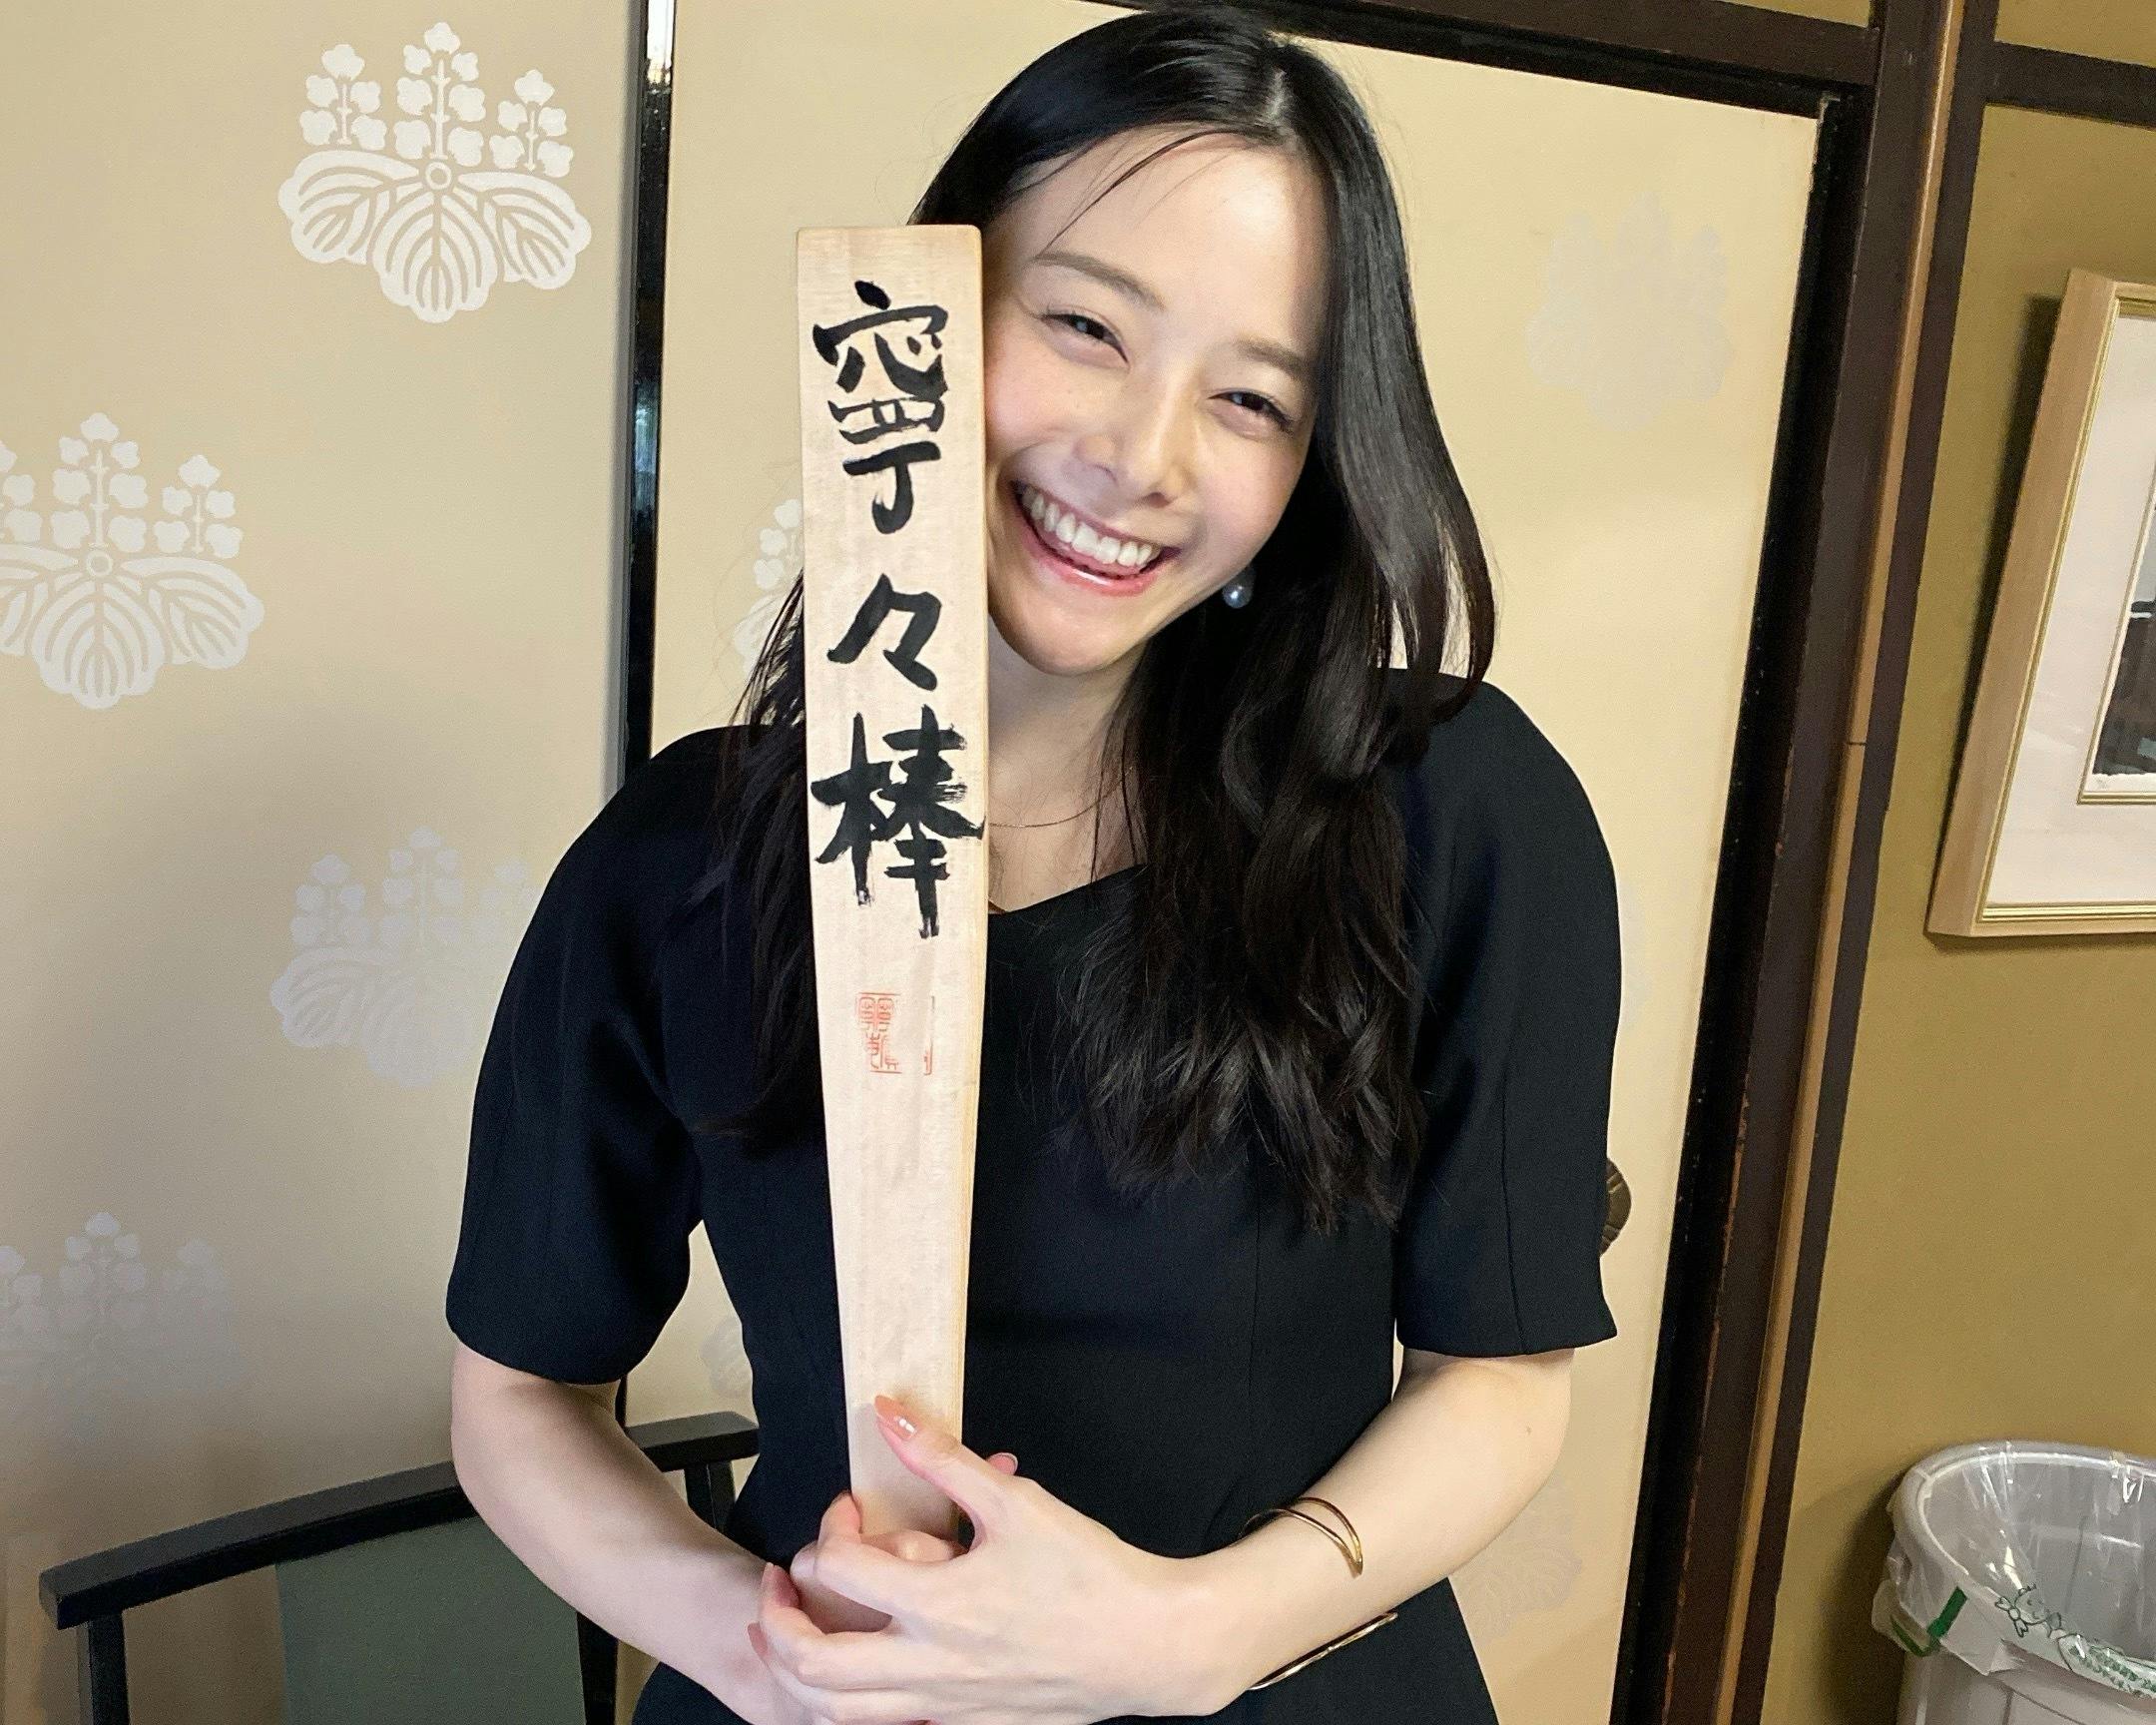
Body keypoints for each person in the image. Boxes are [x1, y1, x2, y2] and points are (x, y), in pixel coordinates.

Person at [444, 6, 1623, 1723]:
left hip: (1282, 1684)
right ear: (936, 312)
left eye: (1251, 398)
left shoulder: (1447, 809)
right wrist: (750, 1647)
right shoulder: (678, 865)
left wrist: (1199, 1631)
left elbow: (1502, 1375)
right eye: (1084, 325)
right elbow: (517, 1398)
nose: (1141, 459)